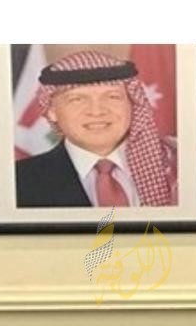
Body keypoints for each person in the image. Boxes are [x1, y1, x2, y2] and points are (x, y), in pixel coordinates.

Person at [15, 49, 177, 208]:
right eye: (77, 99)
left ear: (132, 103)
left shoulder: (176, 168)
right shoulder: (19, 181)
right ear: (52, 111)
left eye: (112, 97)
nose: (97, 111)